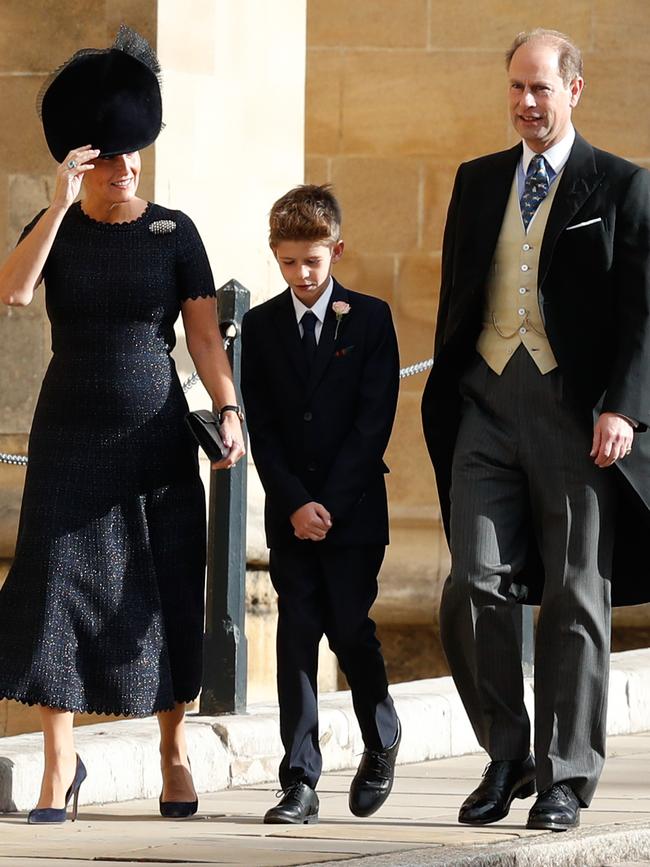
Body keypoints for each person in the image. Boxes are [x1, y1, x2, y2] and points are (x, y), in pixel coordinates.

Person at [0, 26, 245, 824]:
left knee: (165, 585)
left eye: (136, 150)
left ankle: (173, 749)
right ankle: (58, 764)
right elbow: (14, 293)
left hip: (156, 437)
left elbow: (205, 338)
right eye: (111, 153)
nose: (129, 164)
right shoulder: (57, 225)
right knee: (55, 591)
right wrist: (58, 206)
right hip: (70, 433)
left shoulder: (176, 233)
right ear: (83, 158)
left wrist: (230, 407)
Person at [421, 28, 650, 832]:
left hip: (576, 414)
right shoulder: (476, 180)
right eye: (516, 88)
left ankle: (566, 777)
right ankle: (509, 751)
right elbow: (459, 295)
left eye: (540, 89)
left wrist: (623, 405)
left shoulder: (621, 185)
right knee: (470, 584)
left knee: (577, 596)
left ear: (574, 90)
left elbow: (643, 313)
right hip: (484, 402)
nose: (525, 103)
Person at [241, 185, 401, 824]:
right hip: (291, 510)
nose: (302, 275)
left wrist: (328, 503)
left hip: (353, 510)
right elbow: (265, 426)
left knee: (350, 626)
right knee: (298, 629)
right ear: (275, 257)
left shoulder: (370, 318)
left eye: (312, 260)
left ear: (336, 250)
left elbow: (374, 421)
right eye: (288, 262)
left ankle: (381, 734)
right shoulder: (259, 325)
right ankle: (300, 778)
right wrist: (294, 501)